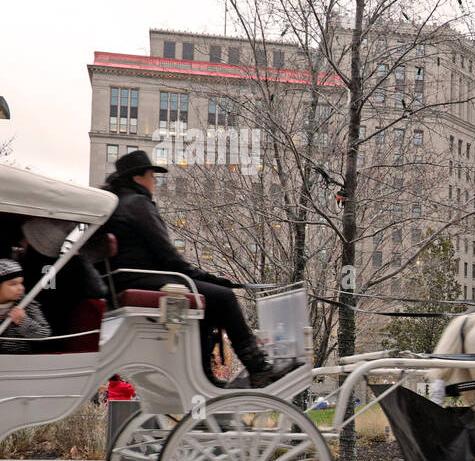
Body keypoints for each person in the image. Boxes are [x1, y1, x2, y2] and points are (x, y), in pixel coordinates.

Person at [100, 150, 297, 388]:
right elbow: (169, 257)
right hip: (145, 280)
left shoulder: (118, 204)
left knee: (207, 301)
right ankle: (258, 368)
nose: (155, 182)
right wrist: (211, 280)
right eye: (153, 176)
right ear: (139, 178)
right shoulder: (138, 204)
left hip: (130, 281)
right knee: (224, 297)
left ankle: (204, 373)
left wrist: (205, 280)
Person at [0, 258, 51, 354]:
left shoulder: (26, 304)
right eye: (13, 284)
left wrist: (23, 321)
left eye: (21, 283)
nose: (21, 288)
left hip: (19, 359)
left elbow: (44, 334)